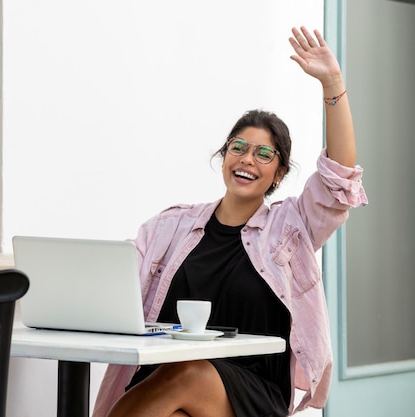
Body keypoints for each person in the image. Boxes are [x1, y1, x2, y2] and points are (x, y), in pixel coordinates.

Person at [92, 26, 368, 417]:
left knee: (186, 372)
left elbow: (339, 174)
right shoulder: (170, 227)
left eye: (263, 154)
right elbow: (114, 281)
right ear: (224, 157)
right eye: (237, 148)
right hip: (161, 383)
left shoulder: (291, 228)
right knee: (176, 382)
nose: (247, 159)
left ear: (279, 174)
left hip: (249, 391)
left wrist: (332, 83)